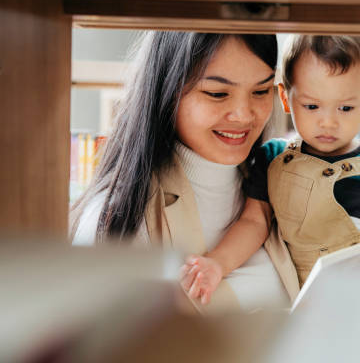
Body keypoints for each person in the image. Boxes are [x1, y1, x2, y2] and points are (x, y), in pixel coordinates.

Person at [182, 35, 360, 305]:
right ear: (285, 98)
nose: (328, 122)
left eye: (346, 108)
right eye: (312, 106)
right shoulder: (273, 159)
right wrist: (217, 264)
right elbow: (254, 222)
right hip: (311, 300)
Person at [71, 31, 289, 312]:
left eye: (261, 91)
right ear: (167, 89)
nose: (244, 115)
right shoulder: (118, 222)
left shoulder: (280, 185)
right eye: (217, 94)